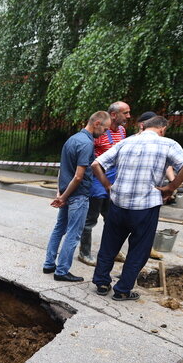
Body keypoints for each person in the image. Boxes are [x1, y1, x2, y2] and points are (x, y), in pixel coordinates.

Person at [91, 115, 183, 301]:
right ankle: (122, 290)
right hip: (145, 207)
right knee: (138, 249)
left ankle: (101, 283)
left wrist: (107, 185)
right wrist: (171, 187)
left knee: (109, 245)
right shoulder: (168, 144)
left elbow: (96, 164)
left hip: (118, 203)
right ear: (162, 129)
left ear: (143, 126)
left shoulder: (126, 142)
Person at [43, 111, 111, 282]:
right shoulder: (86, 144)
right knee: (73, 233)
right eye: (104, 129)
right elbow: (79, 176)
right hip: (77, 196)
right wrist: (64, 197)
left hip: (66, 193)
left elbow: (63, 169)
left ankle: (49, 263)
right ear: (96, 123)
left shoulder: (72, 139)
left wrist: (60, 192)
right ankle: (62, 271)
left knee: (59, 228)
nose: (105, 133)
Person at [78, 101, 131, 266]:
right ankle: (84, 253)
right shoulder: (99, 132)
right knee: (91, 219)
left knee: (113, 218)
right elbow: (86, 156)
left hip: (115, 181)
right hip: (97, 181)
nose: (129, 116)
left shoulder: (122, 131)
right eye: (126, 113)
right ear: (114, 114)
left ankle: (112, 251)